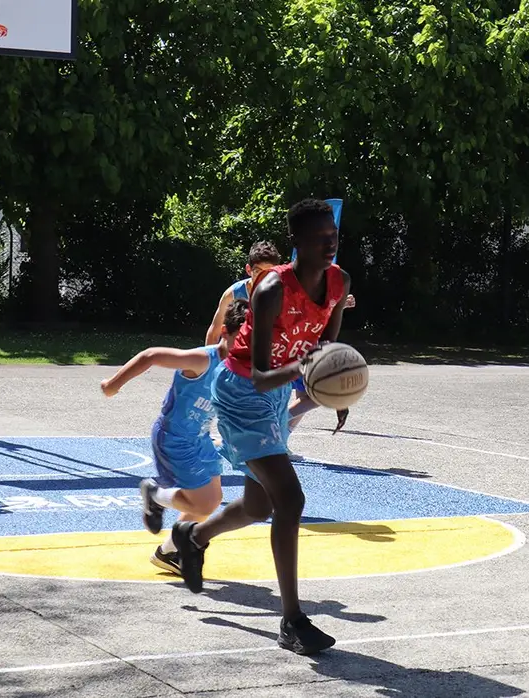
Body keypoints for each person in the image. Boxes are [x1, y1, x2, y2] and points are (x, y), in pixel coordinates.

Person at [171, 198, 350, 655]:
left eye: (333, 236)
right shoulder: (271, 289)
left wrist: (333, 390)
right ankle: (292, 620)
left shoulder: (338, 283)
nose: (329, 244)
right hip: (241, 390)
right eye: (318, 238)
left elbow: (326, 352)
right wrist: (308, 368)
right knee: (290, 498)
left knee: (257, 506)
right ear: (298, 242)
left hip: (273, 396)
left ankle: (192, 536)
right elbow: (262, 372)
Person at [100, 302, 246, 575]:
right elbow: (151, 355)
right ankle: (156, 495)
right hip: (174, 439)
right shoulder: (203, 360)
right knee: (202, 502)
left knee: (211, 501)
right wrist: (113, 384)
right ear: (225, 332)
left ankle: (167, 552)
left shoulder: (239, 367)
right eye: (242, 338)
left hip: (200, 439)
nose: (246, 346)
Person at [204, 241, 282, 346]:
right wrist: (212, 361)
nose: (263, 278)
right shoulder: (232, 294)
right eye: (258, 272)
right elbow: (214, 333)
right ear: (249, 270)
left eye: (269, 273)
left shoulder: (284, 295)